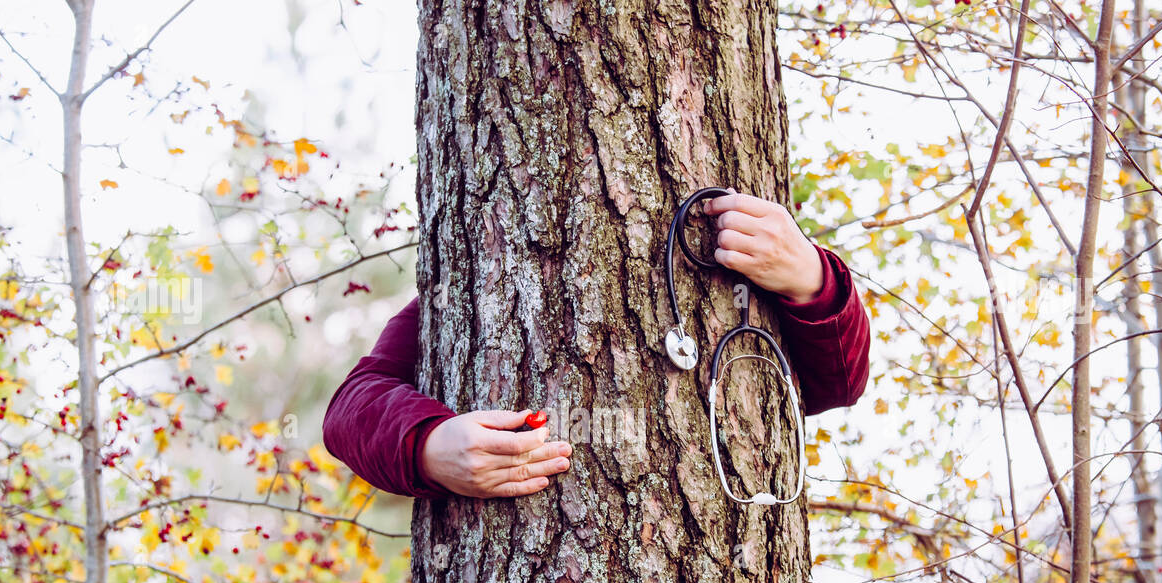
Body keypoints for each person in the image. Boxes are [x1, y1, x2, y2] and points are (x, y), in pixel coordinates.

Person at [323, 192, 870, 499]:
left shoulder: (764, 245)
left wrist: (813, 280)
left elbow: (839, 385)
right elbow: (349, 409)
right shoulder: (464, 291)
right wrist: (426, 445)